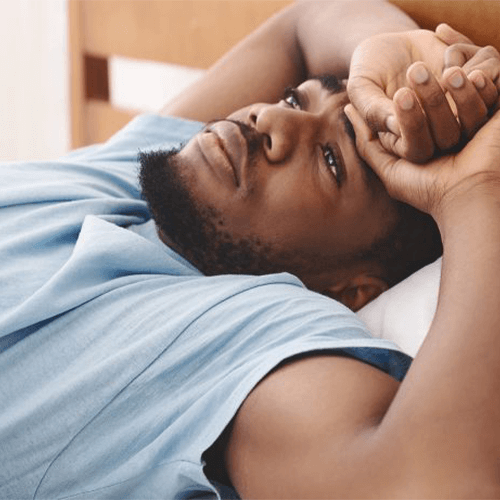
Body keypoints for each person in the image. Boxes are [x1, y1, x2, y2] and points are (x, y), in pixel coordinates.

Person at [1, 2, 500, 499]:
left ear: (351, 290)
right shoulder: (135, 182)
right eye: (295, 98)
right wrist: (401, 50)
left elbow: (422, 483)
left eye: (330, 161)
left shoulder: (248, 335)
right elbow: (302, 27)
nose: (272, 119)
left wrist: (475, 192)